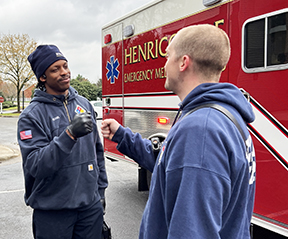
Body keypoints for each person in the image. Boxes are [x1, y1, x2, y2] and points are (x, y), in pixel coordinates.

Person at [101, 24, 256, 239]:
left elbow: (192, 232)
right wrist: (122, 135)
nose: (164, 65)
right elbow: (169, 164)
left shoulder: (201, 131)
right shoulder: (219, 116)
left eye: (168, 56)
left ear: (183, 62)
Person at [17, 45, 108, 239]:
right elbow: (35, 165)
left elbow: (97, 152)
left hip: (89, 209)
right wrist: (69, 135)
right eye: (55, 69)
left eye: (65, 66)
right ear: (43, 77)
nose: (64, 72)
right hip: (53, 213)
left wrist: (100, 192)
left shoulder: (84, 104)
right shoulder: (31, 116)